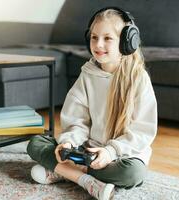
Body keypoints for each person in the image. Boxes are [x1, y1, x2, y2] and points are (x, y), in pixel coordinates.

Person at [27, 7, 157, 200]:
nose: (98, 44)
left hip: (121, 154)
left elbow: (141, 131)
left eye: (107, 38)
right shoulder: (87, 74)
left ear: (127, 42)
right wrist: (69, 142)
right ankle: (85, 180)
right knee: (35, 143)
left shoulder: (138, 79)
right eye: (94, 37)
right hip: (87, 149)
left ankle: (63, 172)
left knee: (132, 174)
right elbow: (76, 119)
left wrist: (110, 151)